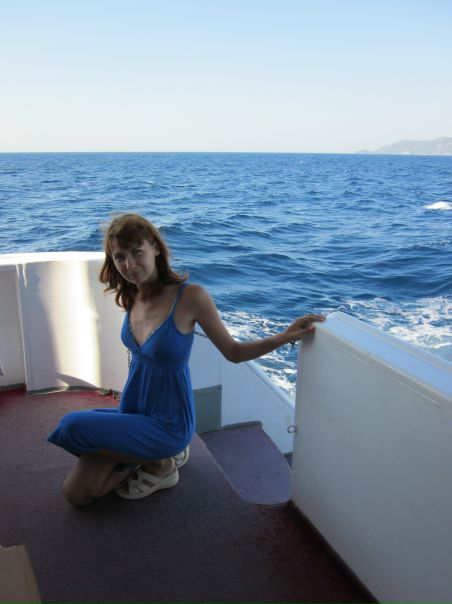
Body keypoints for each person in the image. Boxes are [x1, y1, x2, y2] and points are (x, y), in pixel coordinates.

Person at [47, 213, 325, 506]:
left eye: (137, 252)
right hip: (133, 412)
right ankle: (150, 456)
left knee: (72, 426)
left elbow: (233, 352)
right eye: (120, 257)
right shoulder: (131, 295)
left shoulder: (190, 297)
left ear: (156, 248)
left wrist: (284, 336)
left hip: (169, 423)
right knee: (76, 494)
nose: (129, 264)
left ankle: (161, 462)